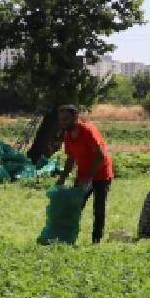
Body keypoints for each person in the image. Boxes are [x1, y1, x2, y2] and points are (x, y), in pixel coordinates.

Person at [55, 104, 115, 244]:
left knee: (98, 209)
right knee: (75, 206)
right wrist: (62, 178)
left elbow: (100, 156)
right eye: (61, 120)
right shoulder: (67, 135)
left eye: (66, 119)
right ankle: (69, 238)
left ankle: (96, 240)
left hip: (101, 174)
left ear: (75, 117)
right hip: (82, 175)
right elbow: (70, 158)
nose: (63, 123)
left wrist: (89, 177)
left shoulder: (88, 131)